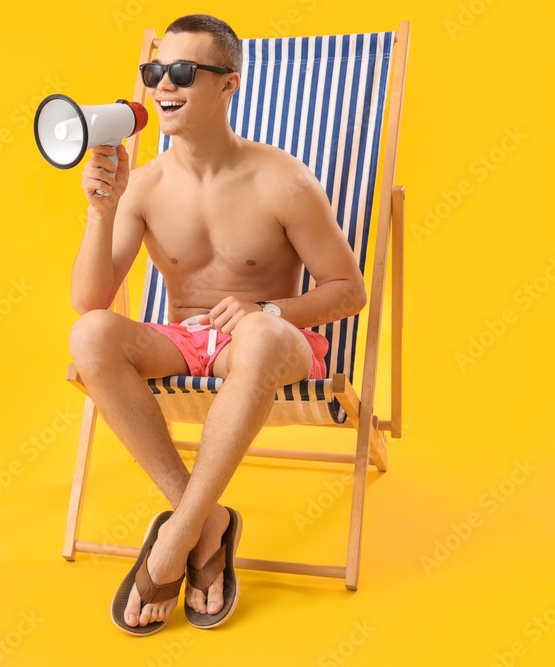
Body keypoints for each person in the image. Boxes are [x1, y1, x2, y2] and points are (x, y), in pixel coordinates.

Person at [67, 14, 367, 634]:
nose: (162, 85)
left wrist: (270, 311)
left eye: (181, 71)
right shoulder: (143, 185)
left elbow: (349, 292)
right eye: (155, 72)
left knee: (256, 336)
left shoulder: (283, 180)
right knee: (90, 334)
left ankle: (170, 547)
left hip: (271, 344)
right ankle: (203, 525)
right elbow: (90, 300)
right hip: (184, 343)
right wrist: (102, 211)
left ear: (228, 86)